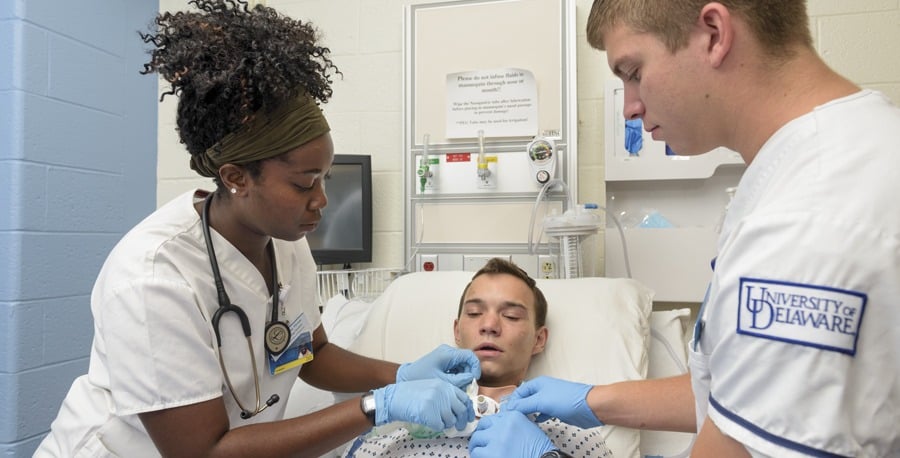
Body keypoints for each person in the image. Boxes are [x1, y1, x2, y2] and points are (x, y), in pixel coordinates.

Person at [35, 1, 480, 456]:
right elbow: (204, 451)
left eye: (324, 178)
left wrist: (403, 374)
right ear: (235, 178)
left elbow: (311, 354)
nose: (322, 200)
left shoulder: (284, 240)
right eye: (305, 183)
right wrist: (376, 406)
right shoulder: (153, 278)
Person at [471, 1, 900, 457]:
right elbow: (740, 391)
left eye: (633, 72)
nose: (629, 109)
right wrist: (592, 399)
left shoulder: (806, 216)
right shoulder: (836, 156)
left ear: (714, 34)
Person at [345, 258, 613, 458]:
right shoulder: (397, 421)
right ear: (457, 332)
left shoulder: (570, 434)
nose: (490, 325)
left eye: (511, 316)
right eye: (474, 313)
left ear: (539, 339)